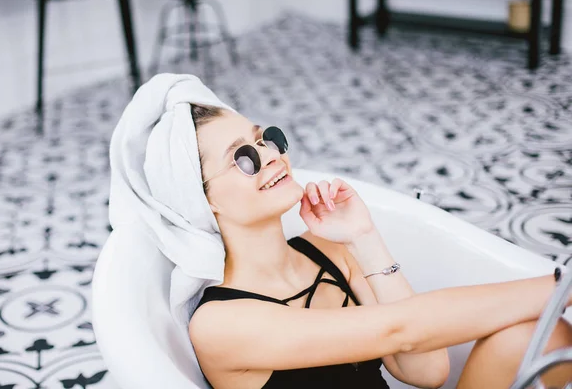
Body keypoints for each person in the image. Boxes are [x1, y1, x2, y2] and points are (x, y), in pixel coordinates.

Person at [186, 103, 572, 389]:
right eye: (244, 158)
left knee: (545, 335)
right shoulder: (219, 323)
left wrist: (363, 237)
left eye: (263, 139)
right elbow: (400, 330)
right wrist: (562, 285)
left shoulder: (327, 251)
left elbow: (427, 371)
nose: (271, 155)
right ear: (203, 199)